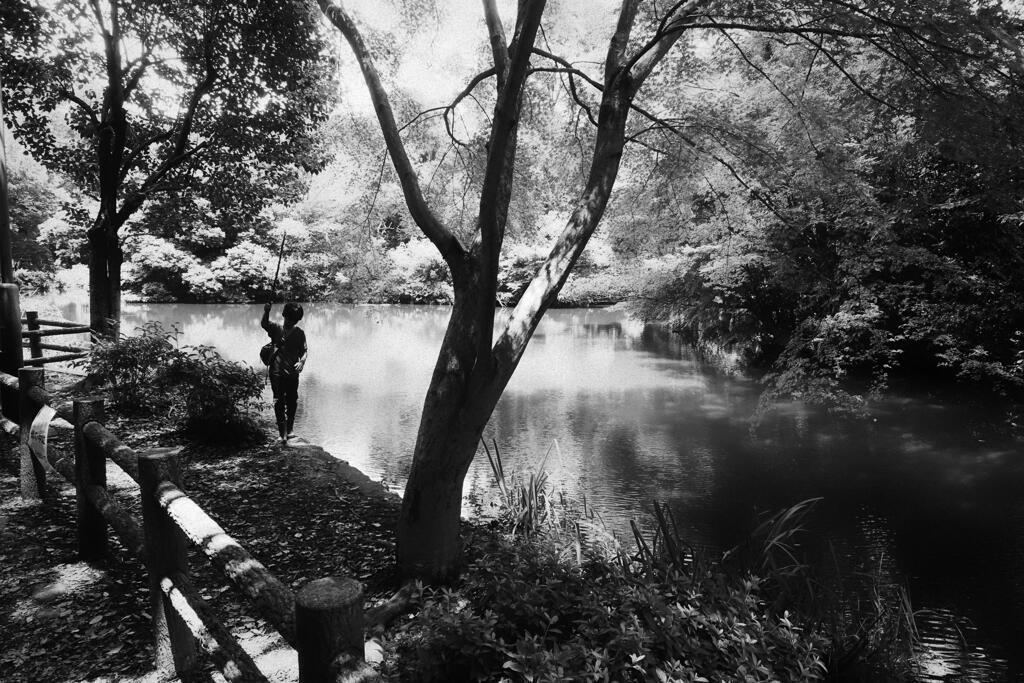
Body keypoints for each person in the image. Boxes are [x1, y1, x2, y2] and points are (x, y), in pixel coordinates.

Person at [261, 301, 308, 444]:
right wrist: (267, 311)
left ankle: (290, 431)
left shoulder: (300, 333)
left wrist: (302, 362)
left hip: (293, 374)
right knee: (279, 402)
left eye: (293, 320)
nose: (289, 321)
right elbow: (264, 324)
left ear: (297, 320)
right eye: (288, 318)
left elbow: (305, 351)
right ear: (283, 315)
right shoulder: (276, 328)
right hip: (276, 373)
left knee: (292, 402)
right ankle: (282, 434)